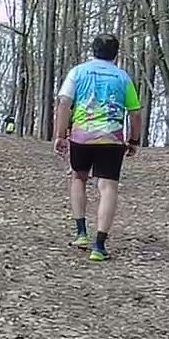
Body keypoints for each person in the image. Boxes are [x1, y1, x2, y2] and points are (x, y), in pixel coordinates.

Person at [52, 34, 143, 261]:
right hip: (111, 138)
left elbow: (64, 103)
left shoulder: (77, 72)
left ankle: (81, 233)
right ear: (116, 53)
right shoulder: (123, 77)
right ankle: (99, 246)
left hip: (81, 136)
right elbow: (135, 113)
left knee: (78, 178)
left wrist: (60, 135)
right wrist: (134, 140)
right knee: (108, 187)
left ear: (93, 50)